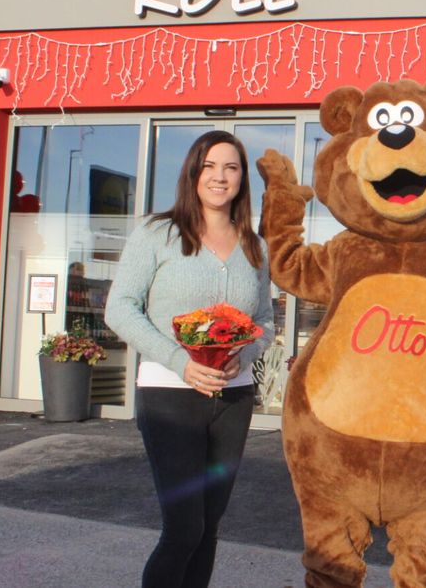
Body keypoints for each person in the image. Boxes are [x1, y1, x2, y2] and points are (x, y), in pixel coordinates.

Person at [105, 130, 272, 588]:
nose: (221, 177)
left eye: (232, 167)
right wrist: (181, 361)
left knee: (210, 526)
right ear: (194, 173)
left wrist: (247, 354)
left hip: (232, 401)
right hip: (169, 396)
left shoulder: (256, 247)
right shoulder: (158, 233)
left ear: (241, 178)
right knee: (183, 529)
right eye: (211, 166)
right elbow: (120, 308)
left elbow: (266, 322)